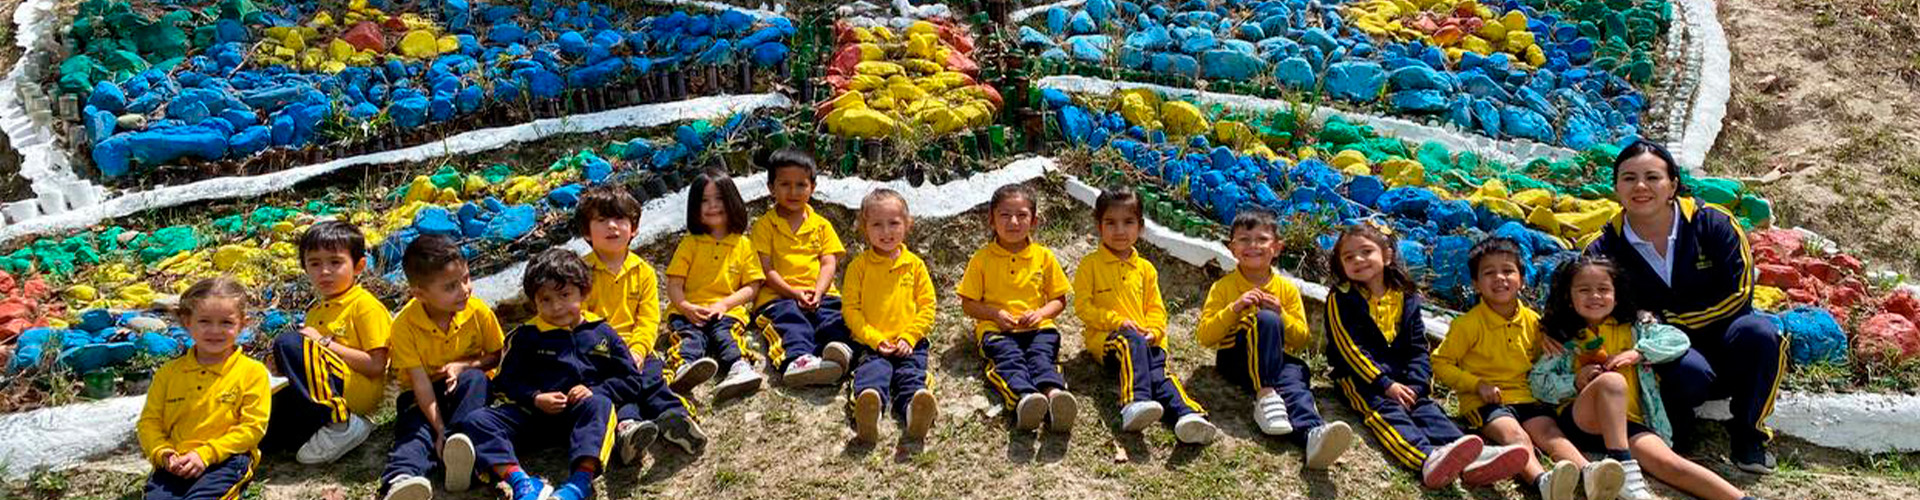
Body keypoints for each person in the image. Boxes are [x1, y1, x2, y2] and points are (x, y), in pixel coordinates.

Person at [1583, 140, 1787, 473]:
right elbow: (1584, 303)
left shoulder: (1714, 223)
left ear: (1673, 184)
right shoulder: (1604, 248)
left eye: (1653, 177)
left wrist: (1668, 319)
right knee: (1689, 374)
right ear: (1616, 188)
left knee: (1761, 333)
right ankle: (1677, 428)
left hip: (1725, 339)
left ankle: (1749, 436)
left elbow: (1739, 293)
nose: (1641, 186)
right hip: (1664, 353)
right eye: (1629, 178)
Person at [1530, 257, 1767, 500]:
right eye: (1584, 290)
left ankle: (1742, 498)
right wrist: (1574, 381)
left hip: (1629, 423)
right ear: (1568, 298)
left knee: (1670, 463)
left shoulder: (1635, 328)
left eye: (1603, 289)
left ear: (1616, 295)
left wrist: (1639, 353)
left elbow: (1678, 340)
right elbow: (1538, 383)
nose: (1595, 296)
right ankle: (1623, 464)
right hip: (1582, 420)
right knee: (1611, 382)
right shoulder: (1564, 338)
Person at [1323, 223, 1517, 489]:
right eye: (1348, 257)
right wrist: (1385, 384)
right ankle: (1427, 459)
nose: (1358, 260)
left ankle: (1474, 457)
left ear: (1387, 256)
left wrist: (1417, 384)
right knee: (1387, 412)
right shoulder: (1341, 298)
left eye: (1366, 251)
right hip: (1361, 380)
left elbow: (1418, 346)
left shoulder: (1406, 295)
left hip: (1403, 379)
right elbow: (1349, 348)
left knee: (1427, 410)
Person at [457, 249, 651, 500]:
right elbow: (505, 382)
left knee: (600, 404)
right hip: (533, 417)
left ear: (584, 292)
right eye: (545, 299)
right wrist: (535, 397)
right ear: (534, 302)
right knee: (476, 420)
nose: (556, 306)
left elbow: (631, 379)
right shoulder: (525, 336)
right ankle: (522, 483)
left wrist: (595, 391)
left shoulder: (603, 332)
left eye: (564, 295)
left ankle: (579, 483)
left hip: (581, 416)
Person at [1431, 238, 1587, 500]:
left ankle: (1589, 471)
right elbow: (1440, 362)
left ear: (1522, 280)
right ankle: (1542, 482)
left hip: (1527, 397)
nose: (1499, 278)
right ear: (1475, 284)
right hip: (1485, 402)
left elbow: (1541, 359)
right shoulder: (1467, 325)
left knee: (1550, 433)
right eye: (1488, 273)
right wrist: (1476, 385)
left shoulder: (1534, 322)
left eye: (1507, 271)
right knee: (1515, 435)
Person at [574, 183, 706, 464]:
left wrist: (637, 350)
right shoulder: (580, 274)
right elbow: (579, 317)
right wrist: (613, 351)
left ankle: (675, 418)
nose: (612, 226)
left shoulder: (643, 271)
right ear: (586, 232)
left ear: (633, 228)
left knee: (652, 381)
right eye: (602, 220)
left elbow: (648, 318)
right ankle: (628, 429)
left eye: (620, 219)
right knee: (618, 390)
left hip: (638, 351)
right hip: (598, 353)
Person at [1075, 187, 1218, 445]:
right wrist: (1117, 322)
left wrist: (1154, 331)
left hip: (1147, 340)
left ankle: (1188, 416)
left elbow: (1156, 308)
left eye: (1128, 222)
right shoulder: (1090, 265)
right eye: (1111, 223)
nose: (1120, 230)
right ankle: (1134, 401)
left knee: (1160, 376)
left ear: (1140, 227)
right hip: (1109, 340)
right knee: (1129, 341)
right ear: (1099, 226)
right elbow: (1083, 307)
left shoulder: (1146, 269)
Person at [381, 236, 501, 500]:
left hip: (464, 391)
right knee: (414, 432)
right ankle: (402, 479)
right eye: (450, 286)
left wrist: (463, 366)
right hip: (421, 397)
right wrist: (440, 429)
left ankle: (460, 452)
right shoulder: (403, 326)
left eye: (466, 278)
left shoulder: (478, 311)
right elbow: (420, 383)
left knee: (476, 380)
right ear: (420, 294)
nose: (464, 289)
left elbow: (495, 356)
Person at [263, 220, 388, 464]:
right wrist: (283, 366)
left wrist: (324, 343)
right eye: (315, 264)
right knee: (267, 433)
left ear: (359, 266)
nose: (325, 271)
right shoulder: (316, 312)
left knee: (288, 342)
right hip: (324, 390)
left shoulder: (365, 306)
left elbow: (376, 366)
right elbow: (311, 362)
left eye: (335, 262)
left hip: (356, 389)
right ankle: (346, 425)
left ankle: (341, 425)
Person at [137, 278, 271, 500]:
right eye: (204, 321)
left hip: (227, 459)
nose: (215, 330)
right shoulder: (168, 374)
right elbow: (149, 422)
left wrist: (206, 454)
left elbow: (252, 427)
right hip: (177, 460)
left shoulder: (252, 372)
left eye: (226, 322)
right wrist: (163, 453)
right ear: (187, 322)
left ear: (242, 324)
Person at [959, 183, 1077, 432]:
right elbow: (968, 304)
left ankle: (1055, 395)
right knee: (1008, 360)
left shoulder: (1044, 257)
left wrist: (1040, 314)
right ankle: (1025, 399)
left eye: (1022, 215)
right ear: (991, 220)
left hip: (1040, 329)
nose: (1013, 222)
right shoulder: (981, 259)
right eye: (1005, 215)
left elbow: (1059, 300)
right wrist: (995, 314)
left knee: (1041, 359)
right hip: (996, 331)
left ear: (1034, 221)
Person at [749, 148, 853, 387]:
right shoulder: (764, 226)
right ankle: (798, 361)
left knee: (837, 319)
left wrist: (818, 291)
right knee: (790, 321)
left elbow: (828, 262)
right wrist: (793, 293)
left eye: (801, 185)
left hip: (820, 295)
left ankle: (838, 354)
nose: (793, 192)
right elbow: (766, 270)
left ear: (812, 187)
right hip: (778, 298)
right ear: (771, 188)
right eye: (785, 184)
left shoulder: (821, 225)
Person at [842, 189, 939, 443]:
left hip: (911, 344)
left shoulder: (915, 265)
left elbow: (928, 306)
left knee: (911, 376)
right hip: (872, 345)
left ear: (908, 223)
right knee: (872, 374)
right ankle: (869, 414)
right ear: (865, 229)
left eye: (894, 223)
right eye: (877, 224)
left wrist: (910, 336)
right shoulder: (858, 267)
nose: (886, 232)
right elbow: (850, 309)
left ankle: (914, 411)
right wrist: (874, 339)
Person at [665, 168, 768, 401]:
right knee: (688, 336)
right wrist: (685, 307)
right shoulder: (690, 244)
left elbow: (752, 287)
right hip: (689, 311)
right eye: (704, 200)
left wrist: (724, 305)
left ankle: (739, 367)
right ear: (694, 207)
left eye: (719, 198)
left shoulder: (743, 245)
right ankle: (683, 368)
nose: (712, 206)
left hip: (727, 311)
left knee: (727, 335)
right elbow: (674, 284)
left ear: (732, 201)